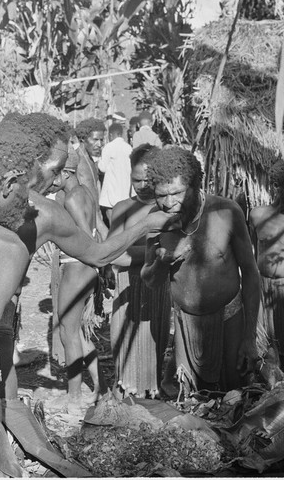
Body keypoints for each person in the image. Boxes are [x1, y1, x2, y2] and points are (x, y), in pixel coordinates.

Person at [0, 112, 179, 399]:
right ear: (29, 164)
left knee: (1, 393)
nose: (56, 181)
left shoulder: (46, 213)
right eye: (55, 170)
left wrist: (149, 232)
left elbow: (98, 253)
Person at [141, 147, 261, 393]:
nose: (167, 203)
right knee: (191, 405)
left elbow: (250, 272)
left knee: (232, 397)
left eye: (176, 193)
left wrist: (249, 338)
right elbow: (149, 280)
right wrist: (163, 263)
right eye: (160, 195)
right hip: (185, 328)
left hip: (230, 321)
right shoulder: (155, 219)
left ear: (195, 186)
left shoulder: (226, 212)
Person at [109, 144, 172, 398]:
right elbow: (112, 254)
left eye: (149, 178)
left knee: (153, 341)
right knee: (123, 341)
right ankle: (127, 391)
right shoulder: (122, 207)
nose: (144, 184)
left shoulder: (168, 207)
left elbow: (168, 250)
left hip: (156, 285)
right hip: (127, 285)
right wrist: (148, 251)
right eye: (137, 179)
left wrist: (130, 252)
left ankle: (151, 395)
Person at [48, 165, 106, 412]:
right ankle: (101, 388)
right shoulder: (85, 192)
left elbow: (86, 237)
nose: (51, 181)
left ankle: (73, 397)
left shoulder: (71, 198)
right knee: (79, 334)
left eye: (54, 175)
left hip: (76, 267)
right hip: (86, 269)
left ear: (67, 173)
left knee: (67, 333)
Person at [249, 158, 284, 377]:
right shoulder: (258, 215)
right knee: (265, 345)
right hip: (262, 289)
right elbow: (250, 253)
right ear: (278, 188)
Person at [98, 122, 132, 225]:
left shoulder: (109, 147)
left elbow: (102, 168)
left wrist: (98, 160)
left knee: (112, 219)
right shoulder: (129, 148)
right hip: (125, 190)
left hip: (112, 189)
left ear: (111, 135)